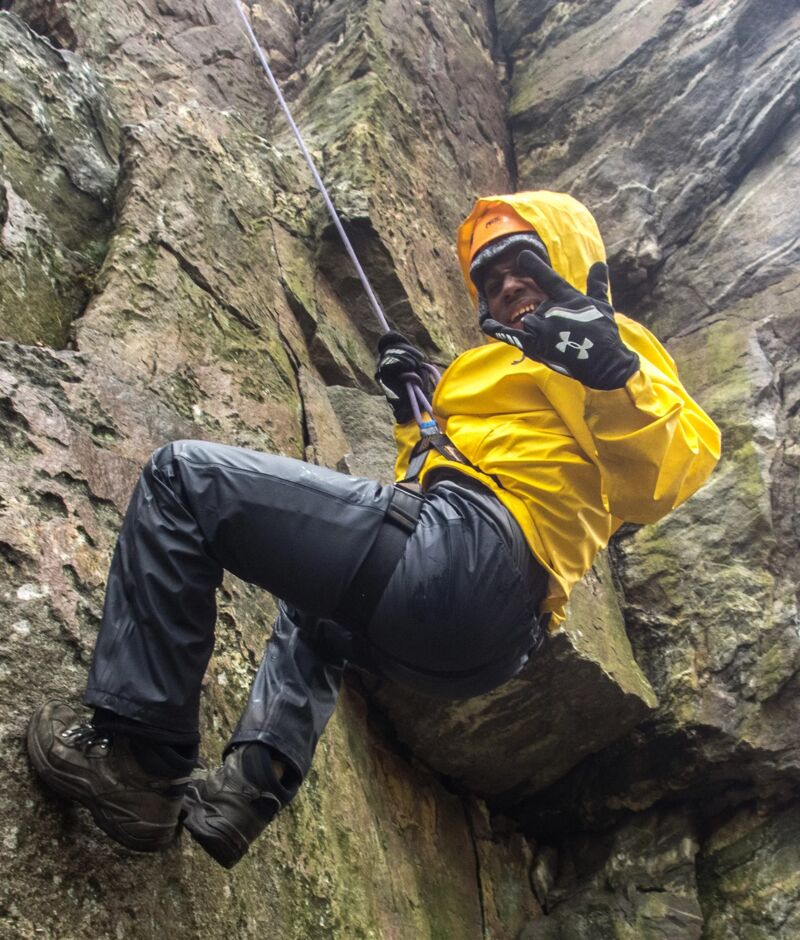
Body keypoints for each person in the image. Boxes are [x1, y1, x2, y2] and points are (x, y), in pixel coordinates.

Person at [27, 191, 720, 869]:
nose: (507, 284)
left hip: (473, 553)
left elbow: (668, 473)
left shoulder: (601, 343)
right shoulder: (506, 366)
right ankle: (248, 787)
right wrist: (412, 409)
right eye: (490, 277)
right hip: (488, 640)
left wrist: (612, 371)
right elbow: (454, 483)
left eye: (524, 262)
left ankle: (140, 764)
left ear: (569, 259)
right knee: (318, 607)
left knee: (182, 479)